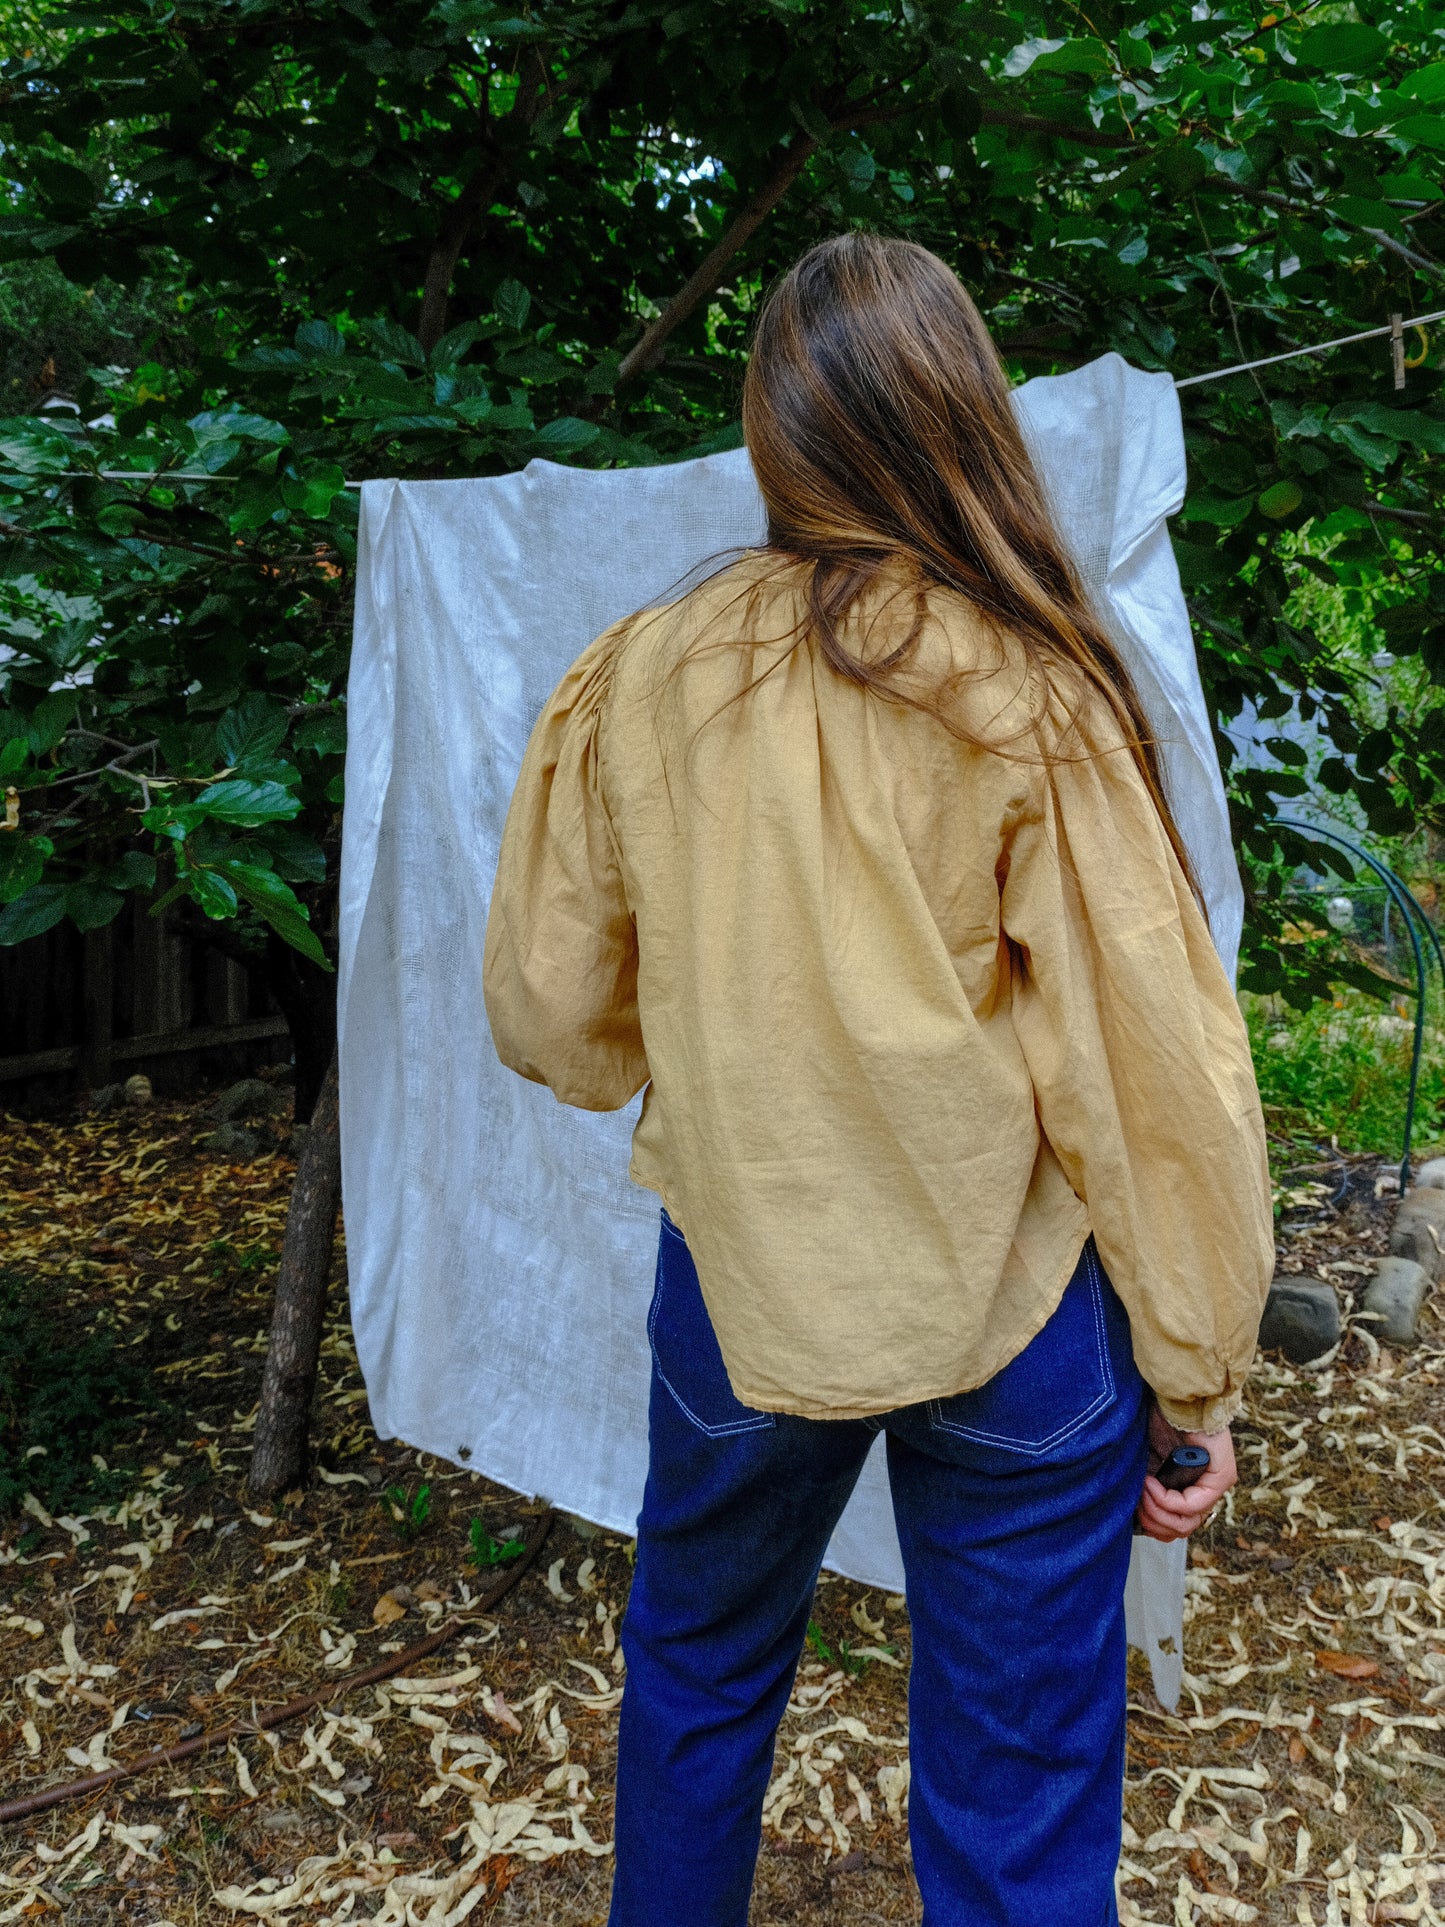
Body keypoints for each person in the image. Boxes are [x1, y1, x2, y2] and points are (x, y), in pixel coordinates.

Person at [482, 233, 1274, 1927]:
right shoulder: (1031, 690)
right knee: (1020, 1780)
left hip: (742, 1287)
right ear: (958, 414)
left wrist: (711, 1037)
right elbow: (1153, 1082)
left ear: (773, 427)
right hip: (1012, 1314)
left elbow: (553, 1014)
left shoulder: (645, 674)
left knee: (695, 1682)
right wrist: (1194, 1379)